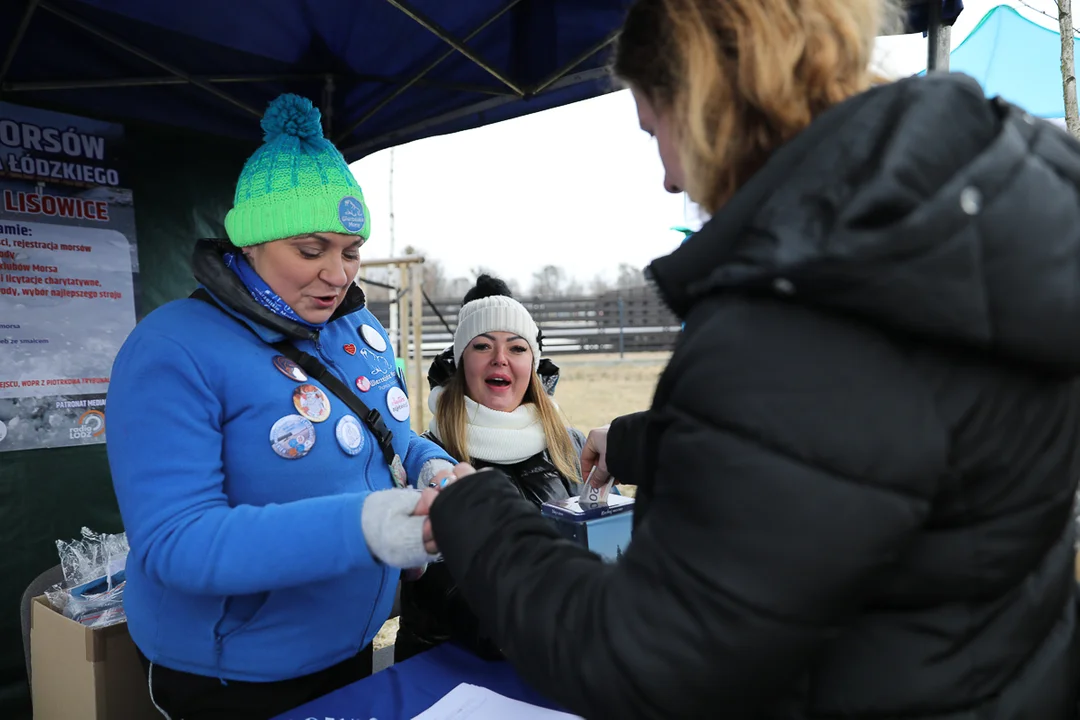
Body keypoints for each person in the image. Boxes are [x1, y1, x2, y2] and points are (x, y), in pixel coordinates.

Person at [420, 0, 1080, 717]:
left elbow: (642, 657)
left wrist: (474, 512)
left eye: (654, 131)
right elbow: (855, 440)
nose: (671, 179)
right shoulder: (962, 222)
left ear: (700, 97)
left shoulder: (796, 306)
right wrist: (641, 442)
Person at [105, 93, 455, 720]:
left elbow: (391, 436)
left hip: (345, 651)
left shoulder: (352, 330)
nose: (337, 275)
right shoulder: (172, 348)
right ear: (251, 243)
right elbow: (177, 542)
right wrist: (368, 528)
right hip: (233, 677)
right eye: (311, 249)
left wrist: (432, 466)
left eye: (351, 251)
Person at [395, 275, 587, 662]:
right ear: (461, 361)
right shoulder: (430, 460)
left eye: (516, 347)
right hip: (447, 677)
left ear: (532, 364)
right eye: (483, 345)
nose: (500, 358)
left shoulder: (569, 445)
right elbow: (451, 598)